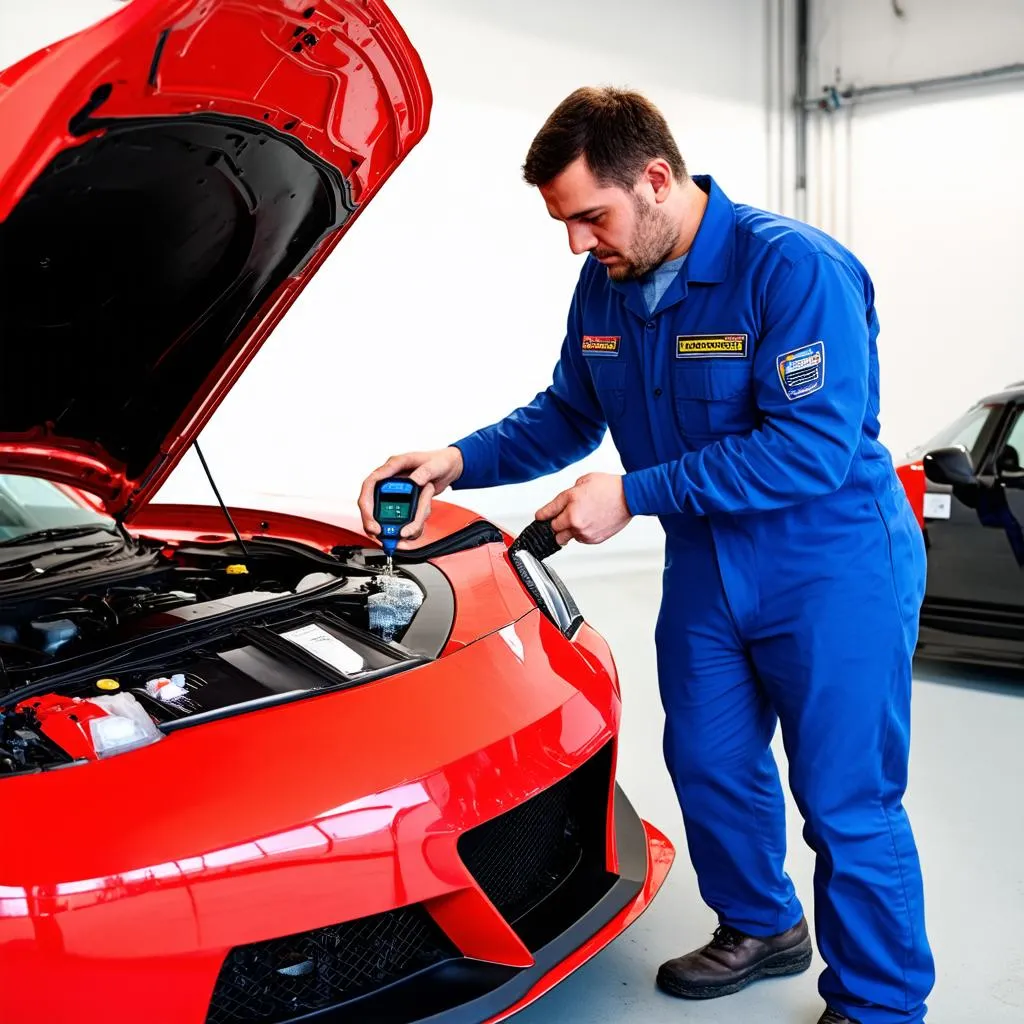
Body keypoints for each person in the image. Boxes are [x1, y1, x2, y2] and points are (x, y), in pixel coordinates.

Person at [358, 87, 934, 1024]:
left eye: (591, 216)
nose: (579, 244)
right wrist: (456, 457)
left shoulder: (791, 270)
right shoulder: (611, 283)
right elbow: (569, 415)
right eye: (565, 223)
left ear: (656, 179)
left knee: (846, 799)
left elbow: (812, 449)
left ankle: (879, 1003)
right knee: (708, 760)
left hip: (832, 566)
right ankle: (761, 924)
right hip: (710, 567)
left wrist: (633, 493)